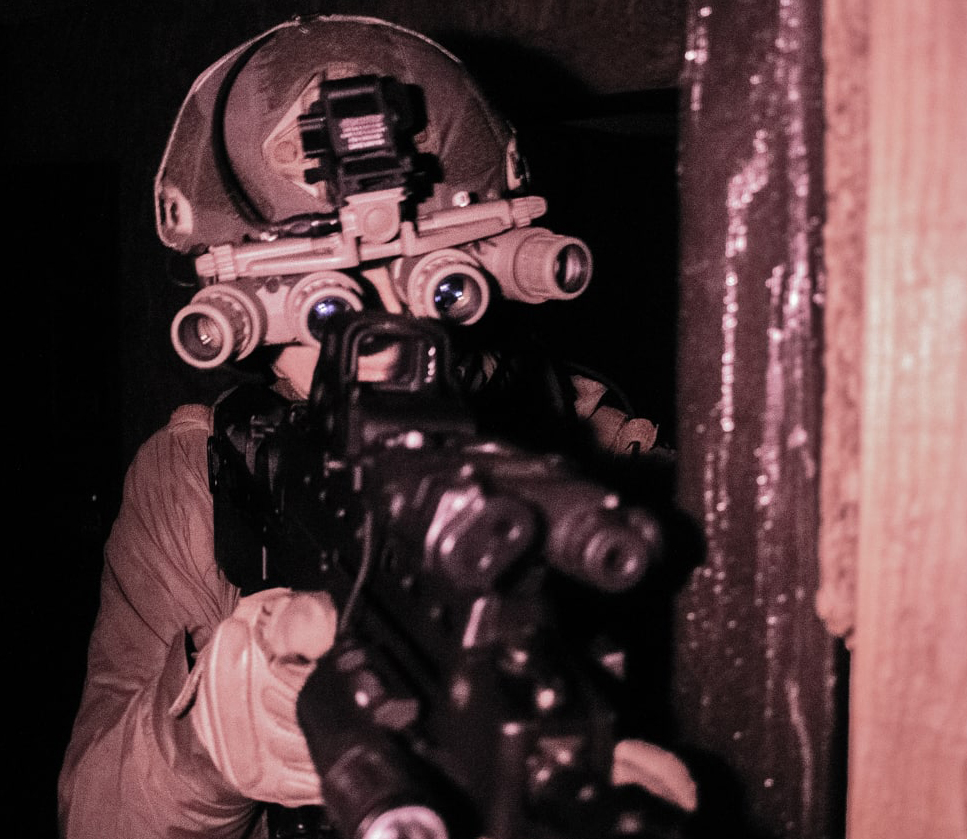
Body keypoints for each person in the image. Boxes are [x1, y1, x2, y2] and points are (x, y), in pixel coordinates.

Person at [58, 16, 687, 839]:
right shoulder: (196, 480)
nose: (378, 339)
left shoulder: (594, 455)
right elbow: (94, 819)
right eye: (324, 306)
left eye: (424, 286)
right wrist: (205, 742)